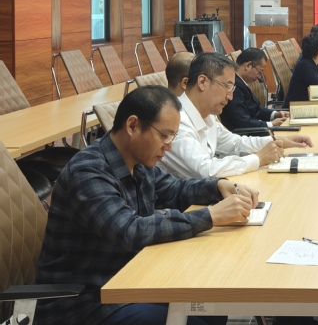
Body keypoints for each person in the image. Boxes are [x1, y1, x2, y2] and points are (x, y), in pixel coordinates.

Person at [35, 86, 255, 325]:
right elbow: (130, 231)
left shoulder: (138, 161)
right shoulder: (88, 172)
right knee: (196, 318)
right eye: (165, 136)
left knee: (211, 304)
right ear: (133, 126)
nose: (168, 146)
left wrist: (218, 186)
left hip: (130, 281)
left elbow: (175, 190)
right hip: (84, 303)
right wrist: (210, 215)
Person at [159, 53, 312, 179]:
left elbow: (235, 143)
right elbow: (205, 170)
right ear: (202, 82)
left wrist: (277, 141)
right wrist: (258, 159)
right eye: (227, 86)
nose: (230, 97)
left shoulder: (207, 115)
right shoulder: (176, 121)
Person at [219, 48, 289, 133]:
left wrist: (275, 114)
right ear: (248, 66)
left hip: (252, 129)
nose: (259, 76)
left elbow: (255, 109)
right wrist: (271, 124)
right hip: (244, 134)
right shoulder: (234, 87)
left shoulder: (240, 82)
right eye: (260, 71)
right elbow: (242, 122)